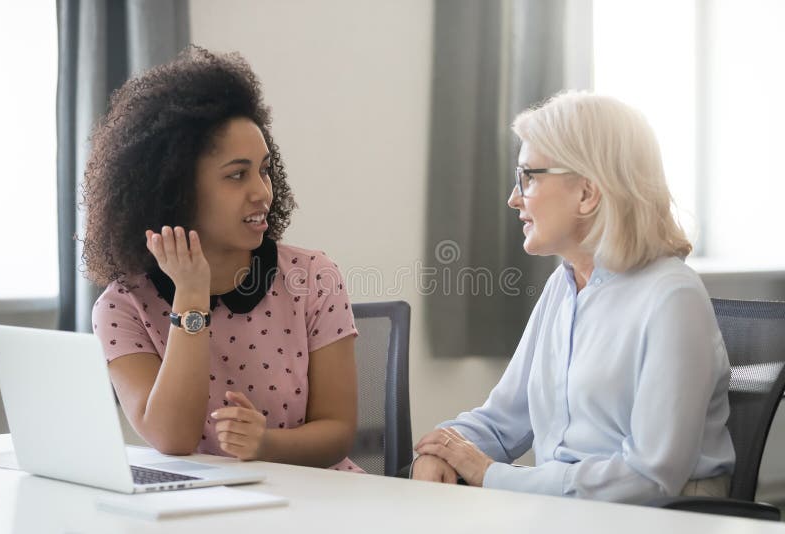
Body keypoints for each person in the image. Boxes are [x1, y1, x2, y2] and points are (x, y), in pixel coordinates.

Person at [411, 91, 735, 502]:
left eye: (528, 177)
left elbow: (649, 478)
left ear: (586, 193)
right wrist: (441, 449)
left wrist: (490, 475)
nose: (514, 198)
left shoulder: (672, 298)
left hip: (660, 520)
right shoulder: (562, 287)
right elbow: (502, 420)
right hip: (565, 514)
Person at [83, 46, 362, 472]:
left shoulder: (313, 277)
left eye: (264, 170)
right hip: (201, 511)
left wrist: (266, 444)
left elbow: (338, 431)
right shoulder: (122, 308)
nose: (262, 192)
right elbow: (172, 438)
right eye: (236, 175)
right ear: (176, 189)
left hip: (318, 502)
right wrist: (191, 295)